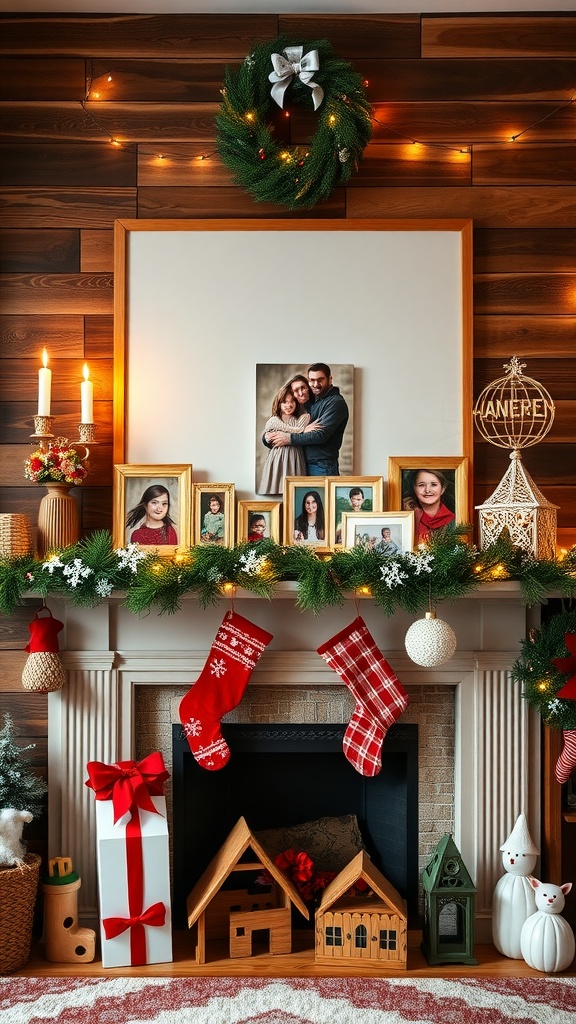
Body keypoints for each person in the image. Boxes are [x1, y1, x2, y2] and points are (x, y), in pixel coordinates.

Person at [264, 363, 349, 476]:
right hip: (301, 463)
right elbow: (277, 425)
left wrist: (288, 438)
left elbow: (320, 435)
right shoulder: (309, 403)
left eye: (320, 380)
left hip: (321, 466)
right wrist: (266, 438)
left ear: (330, 378)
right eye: (312, 380)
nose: (315, 384)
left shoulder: (335, 403)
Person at [258, 378, 320, 494]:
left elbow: (305, 427)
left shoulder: (304, 415)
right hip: (277, 457)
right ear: (279, 403)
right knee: (275, 485)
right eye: (284, 402)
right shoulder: (275, 420)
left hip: (295, 457)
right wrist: (302, 430)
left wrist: (299, 430)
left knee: (295, 491)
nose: (288, 405)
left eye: (291, 401)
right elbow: (267, 434)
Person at [404, 469, 455, 543]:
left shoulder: (453, 520)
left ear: (443, 488)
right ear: (414, 488)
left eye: (433, 484)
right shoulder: (405, 513)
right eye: (421, 485)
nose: (427, 490)